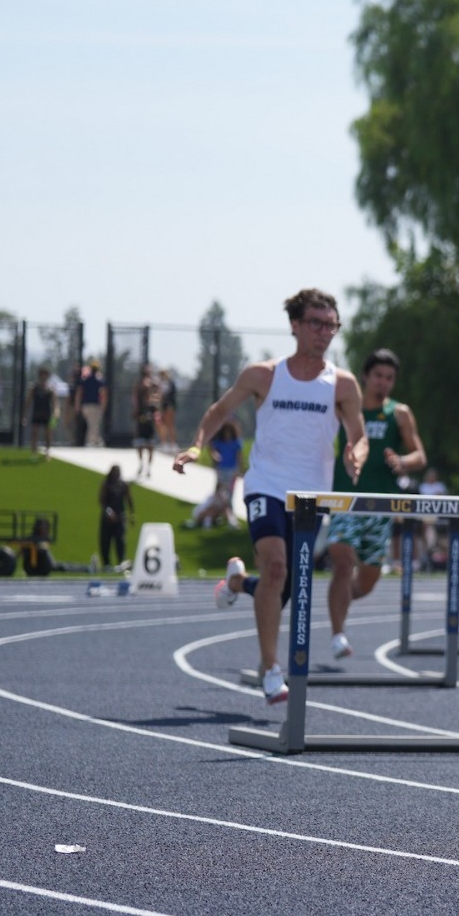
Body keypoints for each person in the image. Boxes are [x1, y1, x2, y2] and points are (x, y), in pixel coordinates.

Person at [174, 288, 366, 706]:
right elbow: (219, 411)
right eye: (316, 323)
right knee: (277, 567)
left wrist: (355, 453)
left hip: (313, 497)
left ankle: (239, 582)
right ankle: (270, 669)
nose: (324, 332)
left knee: (284, 587)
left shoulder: (343, 384)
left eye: (331, 324)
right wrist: (196, 446)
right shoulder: (264, 375)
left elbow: (359, 434)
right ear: (295, 326)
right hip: (266, 486)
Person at [323, 349, 427, 662]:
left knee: (366, 582)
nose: (383, 383)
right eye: (378, 376)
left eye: (389, 378)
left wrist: (402, 461)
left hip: (381, 507)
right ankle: (337, 634)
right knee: (343, 560)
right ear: (365, 376)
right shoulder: (342, 408)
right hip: (346, 500)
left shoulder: (399, 413)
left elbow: (420, 455)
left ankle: (338, 602)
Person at [190, 422, 244, 529]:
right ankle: (227, 516)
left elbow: (239, 457)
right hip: (221, 470)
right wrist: (214, 455)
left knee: (229, 494)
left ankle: (229, 515)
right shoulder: (219, 442)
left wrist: (239, 470)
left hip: (232, 471)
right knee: (220, 493)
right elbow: (211, 446)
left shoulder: (236, 443)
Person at [98, 465, 133, 570]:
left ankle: (121, 562)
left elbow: (129, 499)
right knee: (105, 541)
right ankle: (106, 563)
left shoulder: (123, 485)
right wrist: (108, 511)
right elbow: (102, 501)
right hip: (107, 518)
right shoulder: (106, 485)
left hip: (120, 517)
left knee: (120, 541)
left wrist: (131, 514)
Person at [132, 363, 161, 480]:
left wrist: (155, 410)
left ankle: (148, 467)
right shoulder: (139, 384)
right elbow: (136, 400)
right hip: (141, 415)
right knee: (140, 443)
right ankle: (141, 464)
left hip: (150, 415)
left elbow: (156, 398)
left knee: (150, 444)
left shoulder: (153, 384)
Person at [74, 359, 105, 447]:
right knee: (93, 424)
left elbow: (79, 393)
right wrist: (103, 406)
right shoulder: (99, 381)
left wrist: (77, 405)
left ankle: (96, 441)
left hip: (85, 405)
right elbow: (103, 393)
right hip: (94, 405)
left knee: (92, 424)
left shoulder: (85, 380)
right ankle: (91, 442)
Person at [27, 366, 57, 455]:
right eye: (42, 375)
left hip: (47, 414)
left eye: (45, 375)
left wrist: (56, 412)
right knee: (34, 433)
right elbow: (28, 401)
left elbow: (55, 403)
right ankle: (34, 452)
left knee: (48, 434)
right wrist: (24, 415)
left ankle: (47, 451)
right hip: (36, 413)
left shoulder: (50, 389)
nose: (43, 377)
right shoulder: (34, 388)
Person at [158, 367, 179, 452]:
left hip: (169, 406)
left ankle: (173, 444)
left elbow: (170, 395)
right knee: (163, 425)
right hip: (163, 406)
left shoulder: (170, 383)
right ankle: (164, 443)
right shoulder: (161, 383)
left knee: (170, 425)